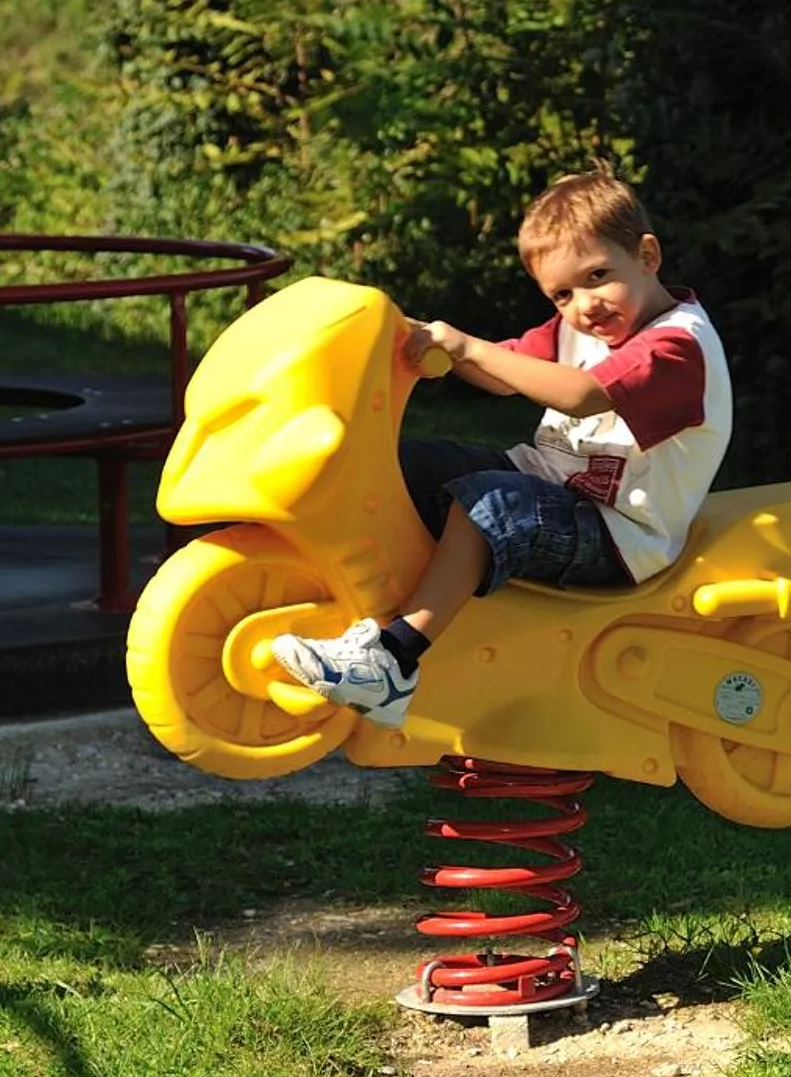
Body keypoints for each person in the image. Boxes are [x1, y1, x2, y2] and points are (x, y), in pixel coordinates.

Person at [272, 167, 732, 728]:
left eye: (598, 276)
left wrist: (469, 347)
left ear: (648, 255)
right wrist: (418, 342)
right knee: (407, 463)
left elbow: (582, 395)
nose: (584, 305)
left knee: (490, 505)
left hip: (620, 536)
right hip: (549, 484)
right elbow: (505, 372)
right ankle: (354, 605)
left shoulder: (676, 348)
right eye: (562, 293)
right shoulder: (581, 328)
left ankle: (393, 664)